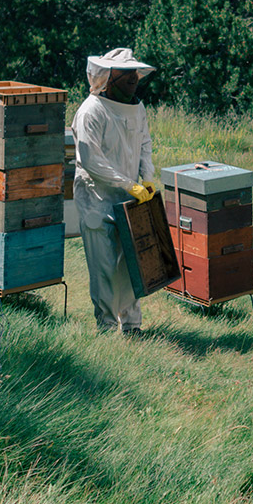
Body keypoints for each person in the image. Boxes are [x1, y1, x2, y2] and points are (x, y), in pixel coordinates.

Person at [72, 47, 157, 335]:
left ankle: (132, 325)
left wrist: (147, 177)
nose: (134, 78)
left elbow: (144, 143)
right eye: (126, 73)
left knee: (132, 264)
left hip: (130, 198)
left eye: (135, 73)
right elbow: (91, 160)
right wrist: (127, 183)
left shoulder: (137, 107)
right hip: (97, 198)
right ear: (108, 77)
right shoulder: (90, 112)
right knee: (105, 266)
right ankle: (107, 327)